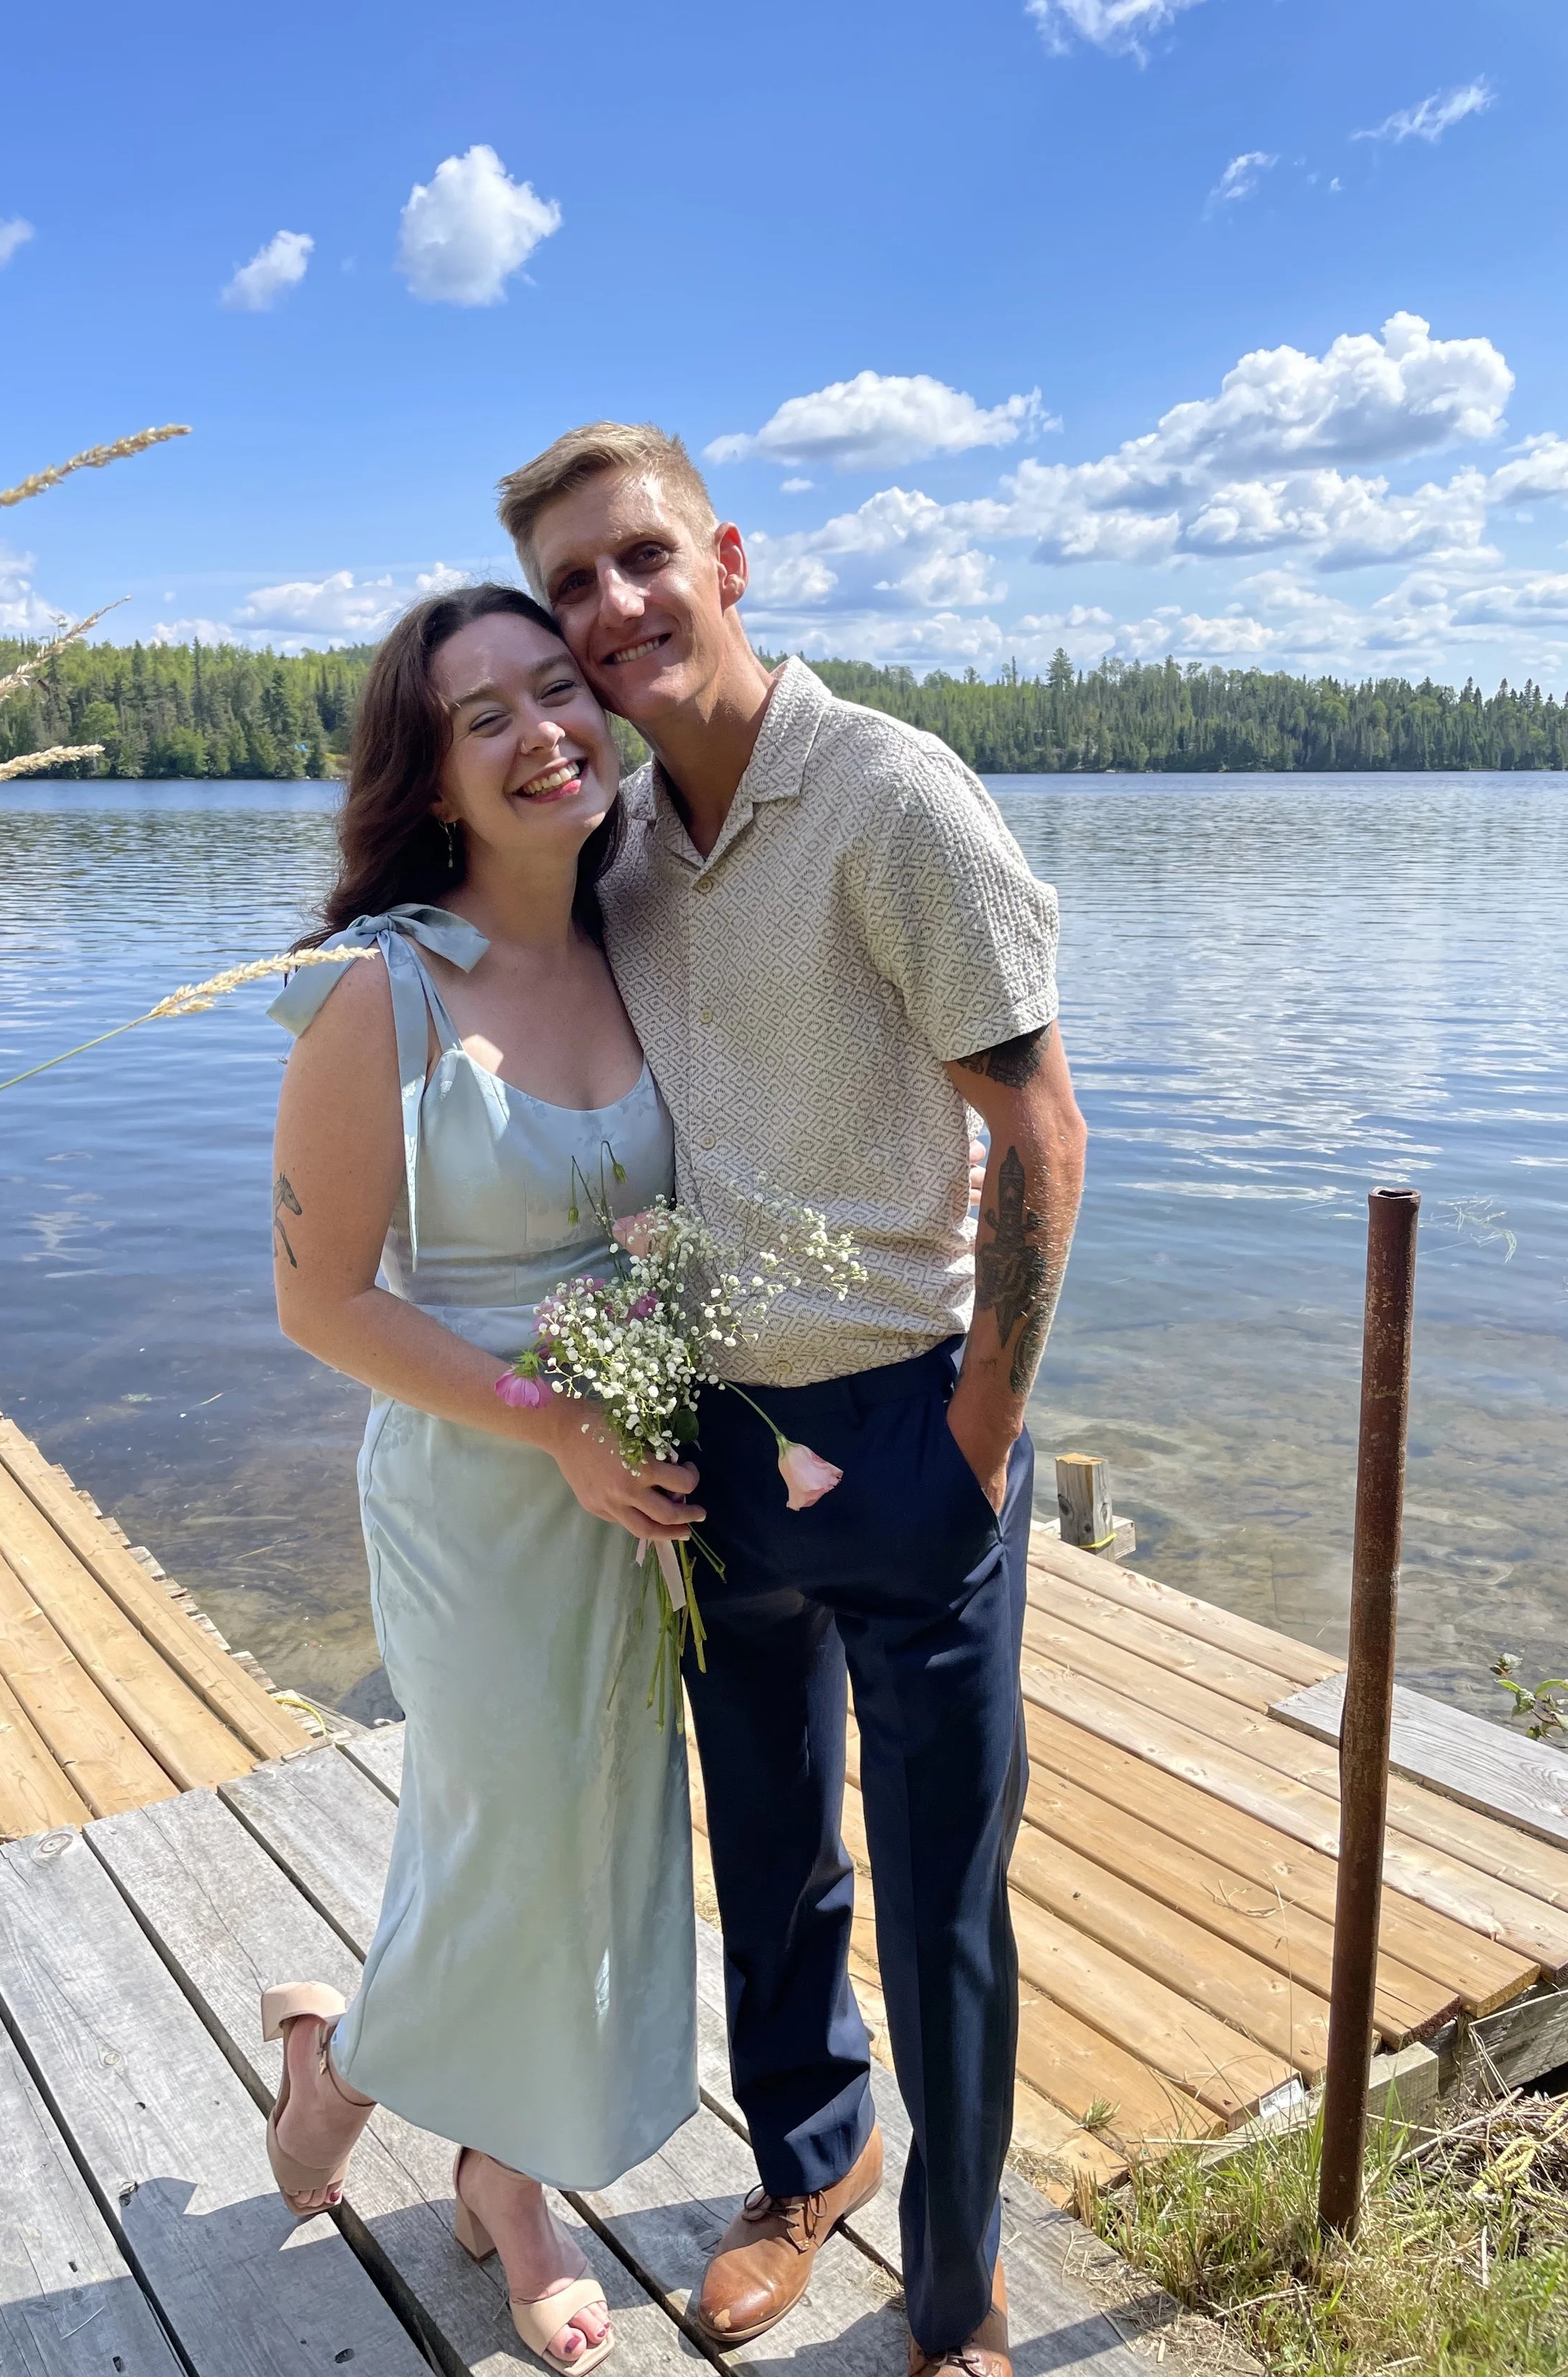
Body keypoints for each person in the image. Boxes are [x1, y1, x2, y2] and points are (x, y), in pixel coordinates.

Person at [495, 424, 1087, 2377]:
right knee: (770, 1853)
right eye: (569, 585)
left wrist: (979, 1448)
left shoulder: (891, 798)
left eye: (636, 558)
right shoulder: (625, 848)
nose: (607, 610)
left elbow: (1041, 1131)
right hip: (716, 1442)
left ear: (726, 557)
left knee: (938, 1904)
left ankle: (960, 2283)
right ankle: (801, 2165)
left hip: (909, 1418)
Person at [258, 583, 706, 2377]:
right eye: (484, 717)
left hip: (644, 1492)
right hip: (482, 1491)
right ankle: (382, 2093)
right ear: (430, 773)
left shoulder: (649, 947)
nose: (544, 735)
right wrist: (552, 1422)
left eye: (558, 691)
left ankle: (426, 2109)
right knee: (506, 1831)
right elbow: (316, 1298)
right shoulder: (378, 988)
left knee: (589, 1849)